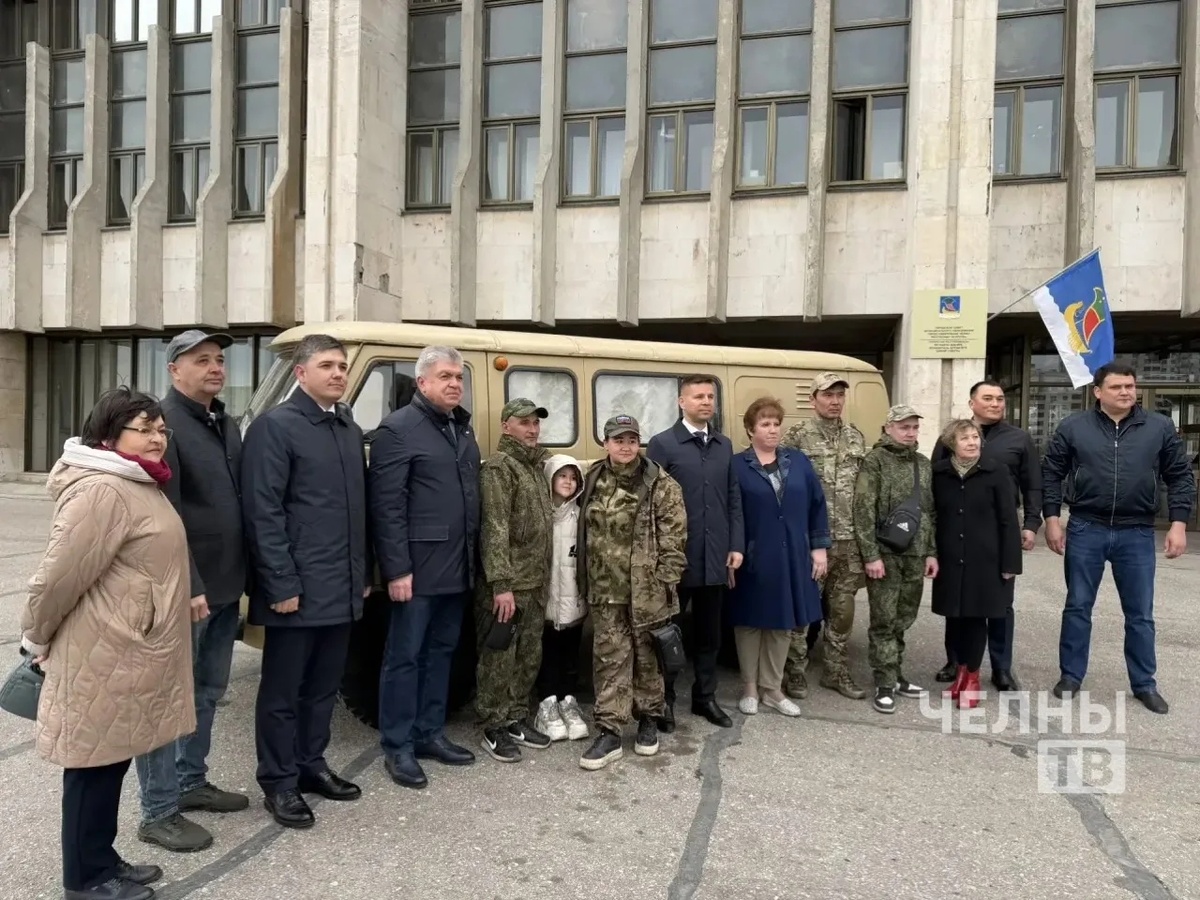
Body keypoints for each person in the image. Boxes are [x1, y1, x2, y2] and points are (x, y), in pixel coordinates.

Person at [20, 387, 196, 900]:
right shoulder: (104, 489)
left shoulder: (137, 482)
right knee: (92, 766)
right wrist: (37, 635)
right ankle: (85, 879)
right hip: (103, 649)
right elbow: (56, 578)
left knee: (111, 760)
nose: (157, 438)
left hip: (126, 649)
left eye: (161, 429)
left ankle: (102, 858)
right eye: (144, 428)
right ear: (108, 434)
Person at [242, 334, 370, 829]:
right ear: (300, 373)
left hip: (340, 587)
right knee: (283, 693)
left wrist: (361, 577)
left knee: (322, 688)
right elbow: (264, 513)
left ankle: (311, 765)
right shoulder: (276, 428)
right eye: (327, 366)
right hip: (297, 589)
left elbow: (353, 513)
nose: (338, 373)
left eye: (341, 365)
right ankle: (278, 782)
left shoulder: (344, 425)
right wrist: (281, 584)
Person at [133, 330, 249, 854]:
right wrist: (191, 586)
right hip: (186, 592)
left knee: (205, 693)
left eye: (220, 359)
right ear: (174, 369)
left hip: (225, 589)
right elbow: (165, 514)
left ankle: (189, 781)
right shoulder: (162, 426)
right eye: (202, 360)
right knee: (165, 701)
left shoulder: (224, 423)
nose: (215, 367)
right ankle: (158, 812)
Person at [1041, 363, 1195, 714]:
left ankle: (1144, 684)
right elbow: (1051, 473)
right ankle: (1071, 676)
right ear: (1097, 392)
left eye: (1130, 386)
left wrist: (1179, 523)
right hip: (1085, 528)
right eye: (1117, 387)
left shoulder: (1158, 427)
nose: (1126, 392)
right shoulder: (1073, 427)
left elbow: (1180, 476)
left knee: (1140, 613)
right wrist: (1051, 518)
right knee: (1078, 606)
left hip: (1137, 532)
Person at [368, 345, 482, 788]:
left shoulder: (462, 428)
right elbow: (387, 505)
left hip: (457, 568)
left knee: (442, 654)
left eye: (458, 377)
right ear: (422, 383)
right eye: (445, 376)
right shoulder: (398, 430)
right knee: (404, 658)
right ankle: (397, 746)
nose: (454, 383)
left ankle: (429, 733)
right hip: (416, 570)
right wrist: (396, 569)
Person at [576, 415, 687, 771]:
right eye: (617, 440)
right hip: (605, 590)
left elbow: (675, 536)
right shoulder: (593, 477)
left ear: (640, 442)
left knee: (647, 656)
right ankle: (609, 730)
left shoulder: (660, 483)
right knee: (609, 658)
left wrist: (665, 581)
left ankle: (649, 720)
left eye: (631, 439)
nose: (625, 446)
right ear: (606, 443)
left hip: (648, 591)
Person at [646, 375, 744, 730]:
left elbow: (733, 499)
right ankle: (664, 701)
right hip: (675, 561)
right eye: (698, 396)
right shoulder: (663, 444)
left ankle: (705, 698)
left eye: (710, 396)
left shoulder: (723, 444)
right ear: (681, 402)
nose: (706, 402)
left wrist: (735, 545)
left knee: (709, 635)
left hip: (715, 555)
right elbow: (649, 504)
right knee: (668, 634)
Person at [931, 379, 1041, 692]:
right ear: (972, 402)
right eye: (988, 398)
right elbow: (937, 481)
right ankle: (956, 661)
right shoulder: (949, 437)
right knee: (958, 602)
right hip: (958, 536)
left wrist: (1031, 524)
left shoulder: (1018, 438)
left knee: (1000, 604)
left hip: (996, 535)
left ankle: (1001, 667)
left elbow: (1032, 482)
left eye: (1000, 399)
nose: (995, 404)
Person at [730, 397, 830, 718]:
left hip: (793, 555)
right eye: (764, 424)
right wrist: (731, 552)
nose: (772, 430)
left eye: (776, 423)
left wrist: (818, 547)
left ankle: (772, 689)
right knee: (749, 622)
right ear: (750, 429)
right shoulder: (736, 465)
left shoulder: (798, 461)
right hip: (752, 556)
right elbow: (730, 512)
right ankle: (749, 687)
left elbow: (817, 504)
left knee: (782, 622)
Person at [474, 398, 555, 763]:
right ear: (506, 426)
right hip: (509, 585)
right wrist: (501, 584)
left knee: (528, 655)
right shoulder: (499, 468)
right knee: (498, 657)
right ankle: (493, 724)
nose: (533, 429)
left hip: (535, 582)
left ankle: (516, 716)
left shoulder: (535, 467)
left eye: (536, 423)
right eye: (524, 423)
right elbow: (495, 528)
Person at [781, 372, 869, 701]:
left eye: (839, 395)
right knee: (802, 611)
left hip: (848, 541)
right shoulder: (796, 437)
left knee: (842, 611)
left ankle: (835, 671)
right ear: (812, 399)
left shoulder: (856, 437)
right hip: (809, 541)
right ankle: (795, 673)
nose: (834, 401)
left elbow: (864, 492)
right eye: (827, 395)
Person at [930, 419, 1023, 709]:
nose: (972, 442)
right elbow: (933, 516)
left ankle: (972, 677)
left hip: (986, 559)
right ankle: (959, 673)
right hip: (950, 558)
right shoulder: (939, 473)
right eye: (964, 438)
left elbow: (1009, 520)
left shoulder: (996, 471)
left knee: (975, 618)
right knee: (955, 618)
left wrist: (1010, 563)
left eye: (975, 437)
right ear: (951, 445)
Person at [853, 404, 938, 715]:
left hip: (915, 554)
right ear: (888, 428)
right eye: (904, 427)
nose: (910, 432)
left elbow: (930, 511)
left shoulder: (923, 464)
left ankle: (897, 674)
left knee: (904, 617)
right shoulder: (874, 462)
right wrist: (871, 555)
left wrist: (931, 552)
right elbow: (863, 509)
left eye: (914, 427)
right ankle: (884, 681)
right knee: (884, 620)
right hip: (886, 555)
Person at [533, 454, 590, 743]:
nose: (568, 482)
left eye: (573, 477)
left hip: (572, 601)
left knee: (569, 653)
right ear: (550, 479)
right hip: (545, 604)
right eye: (562, 476)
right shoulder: (541, 516)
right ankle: (546, 704)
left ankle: (568, 701)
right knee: (546, 654)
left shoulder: (580, 517)